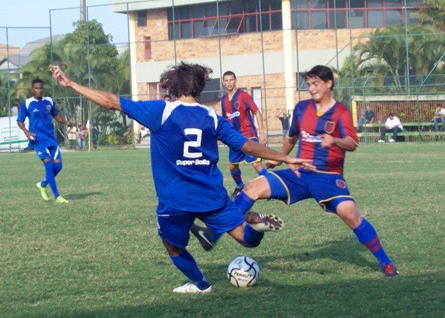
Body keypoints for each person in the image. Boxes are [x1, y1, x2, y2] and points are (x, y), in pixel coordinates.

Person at [50, 62, 310, 294]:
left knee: (173, 247)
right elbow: (248, 146)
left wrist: (71, 83)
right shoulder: (211, 116)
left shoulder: (161, 111)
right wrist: (286, 158)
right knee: (245, 238)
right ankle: (256, 226)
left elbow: (111, 101)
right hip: (211, 196)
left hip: (175, 199)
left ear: (173, 85)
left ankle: (201, 285)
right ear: (199, 89)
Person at [192, 65, 399, 277]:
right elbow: (291, 137)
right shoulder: (301, 108)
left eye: (315, 83)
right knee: (252, 187)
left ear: (328, 84)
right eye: (309, 84)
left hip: (328, 177)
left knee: (351, 215)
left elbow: (352, 142)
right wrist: (279, 159)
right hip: (299, 174)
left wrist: (335, 139)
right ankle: (213, 233)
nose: (311, 89)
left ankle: (386, 263)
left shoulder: (341, 112)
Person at [17, 78, 73, 204]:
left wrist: (66, 122)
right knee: (48, 165)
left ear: (43, 89)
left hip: (51, 138)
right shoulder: (27, 103)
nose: (39, 90)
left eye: (41, 88)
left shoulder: (49, 101)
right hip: (38, 140)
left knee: (58, 166)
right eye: (36, 88)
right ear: (32, 89)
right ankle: (57, 196)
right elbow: (19, 121)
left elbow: (56, 115)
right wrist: (26, 132)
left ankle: (42, 184)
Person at [221, 71, 268, 199]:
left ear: (235, 80)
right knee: (232, 166)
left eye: (231, 80)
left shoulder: (244, 95)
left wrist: (262, 134)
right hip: (234, 137)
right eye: (226, 80)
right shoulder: (223, 100)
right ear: (223, 82)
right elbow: (225, 119)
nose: (229, 82)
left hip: (248, 134)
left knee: (256, 164)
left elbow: (257, 112)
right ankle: (240, 186)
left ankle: (272, 187)